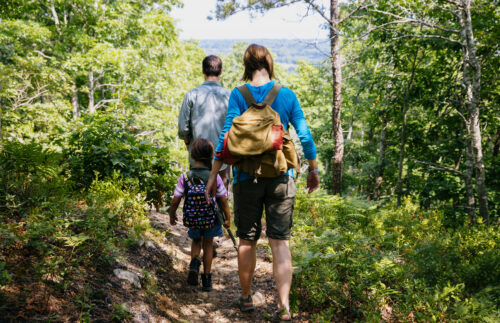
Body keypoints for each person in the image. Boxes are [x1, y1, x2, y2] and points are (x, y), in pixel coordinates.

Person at [205, 44, 320, 321]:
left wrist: (214, 174)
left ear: (246, 65)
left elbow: (225, 135)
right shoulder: (287, 95)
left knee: (247, 240)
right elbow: (303, 134)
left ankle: (246, 298)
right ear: (269, 62)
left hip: (246, 178)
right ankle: (284, 307)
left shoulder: (238, 94)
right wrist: (313, 168)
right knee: (280, 243)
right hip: (281, 177)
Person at [168, 138, 231, 291]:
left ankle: (194, 265)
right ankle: (207, 280)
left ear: (192, 156)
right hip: (211, 218)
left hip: (193, 218)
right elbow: (222, 200)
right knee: (208, 244)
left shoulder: (185, 176)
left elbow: (176, 199)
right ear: (211, 157)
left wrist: (172, 214)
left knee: (196, 240)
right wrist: (228, 218)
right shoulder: (214, 176)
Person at [178, 55, 231, 190]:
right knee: (221, 197)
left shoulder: (192, 95)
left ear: (203, 70)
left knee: (198, 198)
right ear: (220, 72)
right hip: (223, 158)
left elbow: (183, 128)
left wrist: (189, 145)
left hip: (197, 158)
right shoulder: (229, 96)